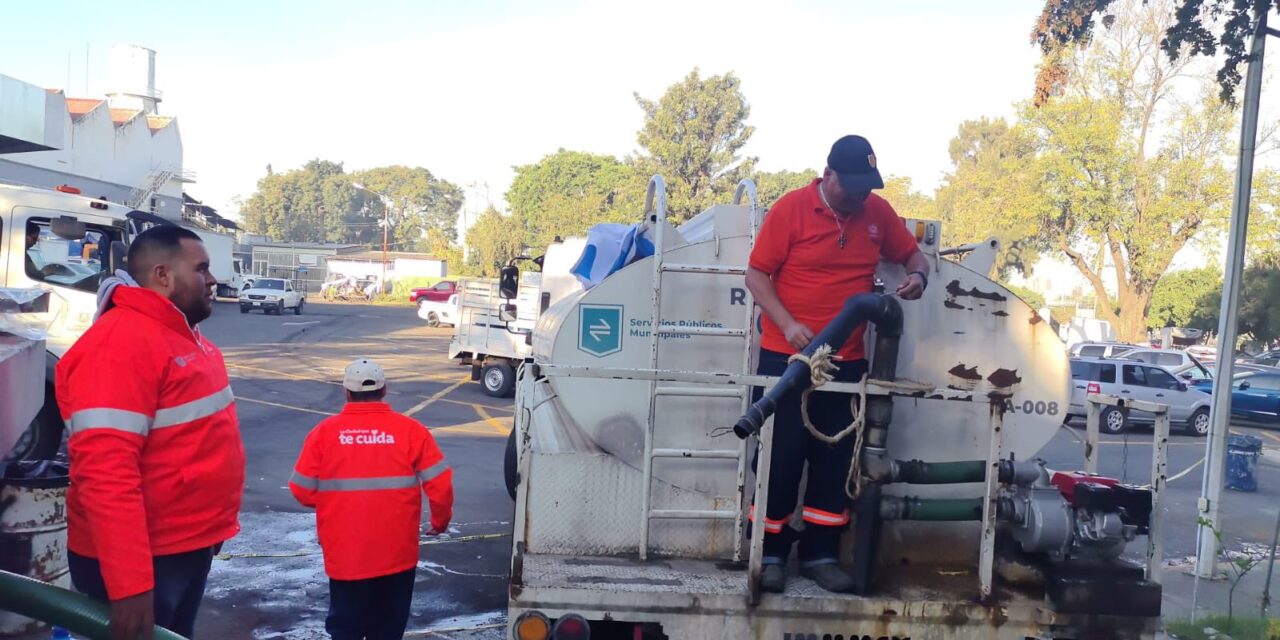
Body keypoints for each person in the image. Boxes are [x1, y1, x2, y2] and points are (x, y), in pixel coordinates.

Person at [745, 135, 929, 593]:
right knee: (780, 460)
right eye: (853, 188)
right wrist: (787, 325)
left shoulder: (876, 213)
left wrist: (918, 275)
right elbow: (755, 275)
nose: (861, 197)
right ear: (828, 176)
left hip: (846, 364)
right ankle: (769, 555)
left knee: (835, 461)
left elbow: (912, 253)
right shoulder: (790, 210)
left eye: (868, 189)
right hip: (785, 358)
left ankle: (821, 556)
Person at [57, 224, 244, 639]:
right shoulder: (120, 346)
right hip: (144, 562)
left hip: (183, 548)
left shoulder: (182, 336)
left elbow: (198, 446)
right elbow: (106, 475)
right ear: (163, 275)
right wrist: (131, 586)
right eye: (202, 269)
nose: (213, 280)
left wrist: (210, 529)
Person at [289, 358, 454, 640]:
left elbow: (301, 489)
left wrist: (338, 506)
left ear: (346, 392)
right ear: (385, 389)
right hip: (397, 553)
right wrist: (440, 521)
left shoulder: (324, 434)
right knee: (388, 628)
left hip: (346, 552)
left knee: (346, 627)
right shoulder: (411, 431)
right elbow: (439, 483)